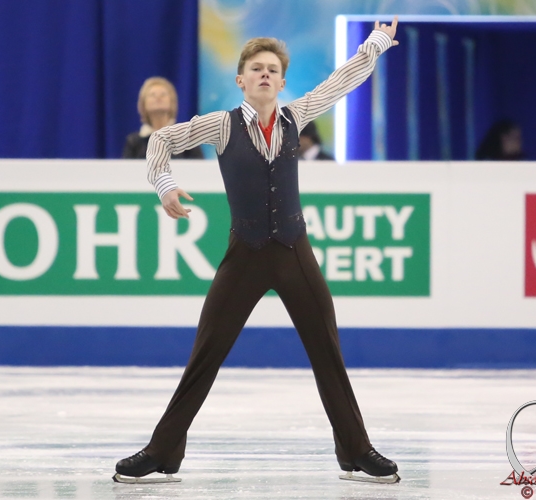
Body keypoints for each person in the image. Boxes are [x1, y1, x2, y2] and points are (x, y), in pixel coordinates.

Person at [115, 18, 401, 484]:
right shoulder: (222, 125)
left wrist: (376, 42)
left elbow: (341, 81)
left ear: (282, 82)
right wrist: (164, 184)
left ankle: (356, 449)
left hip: (293, 251)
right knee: (206, 353)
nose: (265, 74)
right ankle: (162, 450)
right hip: (245, 254)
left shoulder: (296, 115)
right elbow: (162, 139)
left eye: (272, 70)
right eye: (256, 68)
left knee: (326, 350)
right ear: (241, 80)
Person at [122, 77, 204, 160]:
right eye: (152, 95)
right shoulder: (133, 142)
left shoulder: (187, 138)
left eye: (163, 94)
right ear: (143, 104)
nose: (158, 97)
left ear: (172, 102)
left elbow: (199, 166)